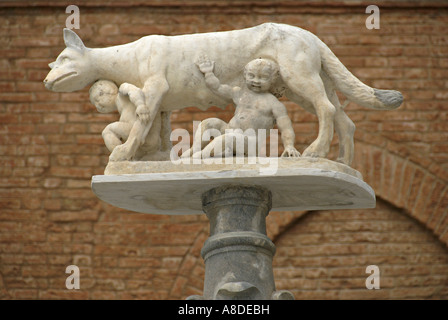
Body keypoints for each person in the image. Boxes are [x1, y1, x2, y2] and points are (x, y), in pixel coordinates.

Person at [182, 57, 300, 159]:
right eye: (251, 76)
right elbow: (217, 88)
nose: (256, 81)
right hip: (229, 131)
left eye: (263, 77)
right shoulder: (240, 93)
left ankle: (201, 156)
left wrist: (289, 146)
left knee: (228, 138)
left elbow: (286, 128)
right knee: (209, 123)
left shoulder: (273, 104)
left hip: (249, 142)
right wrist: (208, 73)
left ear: (272, 80)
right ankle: (195, 149)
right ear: (245, 75)